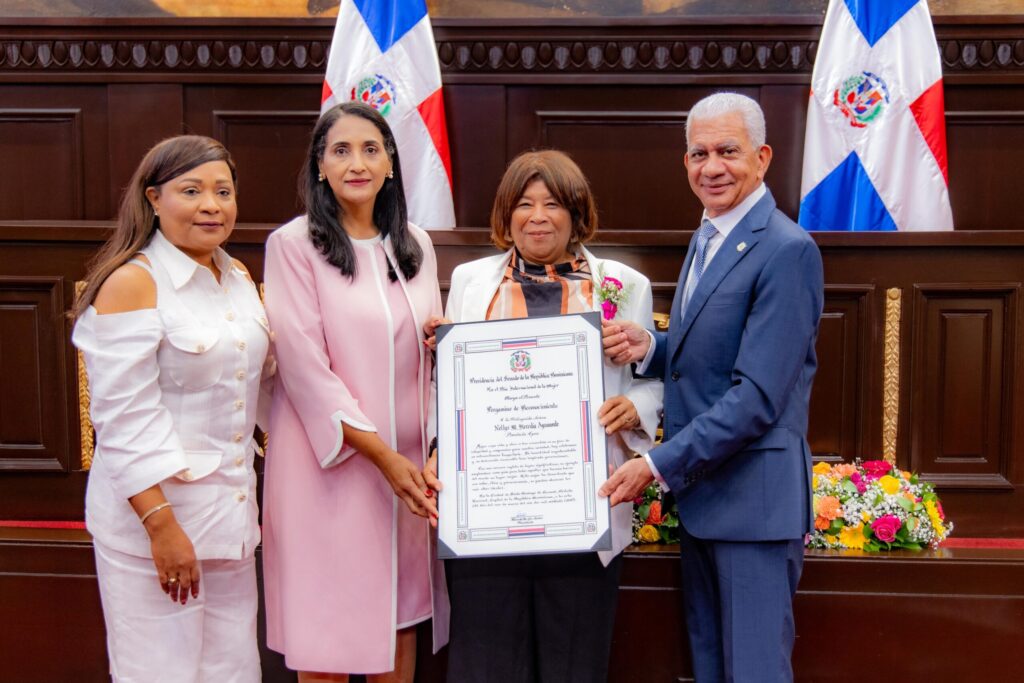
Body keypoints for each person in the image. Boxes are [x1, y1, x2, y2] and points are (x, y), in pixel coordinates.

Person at [600, 92, 824, 682]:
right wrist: (654, 347)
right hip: (708, 502)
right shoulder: (709, 235)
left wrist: (655, 465)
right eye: (699, 153)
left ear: (763, 157)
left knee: (750, 672)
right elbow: (717, 352)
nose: (712, 166)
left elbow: (756, 397)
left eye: (728, 150)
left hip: (753, 505)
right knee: (711, 669)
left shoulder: (786, 249)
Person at [423, 149, 663, 682]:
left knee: (573, 662)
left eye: (552, 203)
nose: (537, 216)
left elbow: (653, 381)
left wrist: (636, 408)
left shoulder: (622, 284)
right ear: (505, 214)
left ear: (576, 213)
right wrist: (442, 433)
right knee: (486, 662)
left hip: (582, 505)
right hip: (487, 508)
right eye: (523, 204)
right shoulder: (469, 281)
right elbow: (449, 387)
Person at [71, 135, 272, 682]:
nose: (212, 204)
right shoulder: (133, 282)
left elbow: (259, 385)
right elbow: (122, 421)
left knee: (233, 673)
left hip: (229, 522)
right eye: (192, 190)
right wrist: (162, 528)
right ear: (153, 198)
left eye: (223, 191)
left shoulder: (236, 279)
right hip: (155, 529)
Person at [261, 101, 446, 683]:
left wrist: (436, 447)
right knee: (330, 631)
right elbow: (304, 367)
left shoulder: (414, 244)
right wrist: (384, 458)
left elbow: (437, 356)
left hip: (410, 472)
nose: (357, 163)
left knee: (399, 615)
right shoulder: (293, 245)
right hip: (331, 469)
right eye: (340, 150)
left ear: (391, 161)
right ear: (319, 165)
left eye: (370, 149)